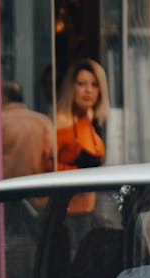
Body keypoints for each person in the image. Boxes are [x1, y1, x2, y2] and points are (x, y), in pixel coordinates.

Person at [55, 58, 110, 255]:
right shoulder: (61, 123)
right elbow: (48, 168)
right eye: (82, 84)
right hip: (67, 214)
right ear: (72, 87)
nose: (88, 90)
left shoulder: (90, 122)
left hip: (90, 210)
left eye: (94, 85)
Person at [1, 80, 54, 178]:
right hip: (35, 187)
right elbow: (51, 159)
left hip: (3, 187)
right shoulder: (43, 120)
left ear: (2, 98)